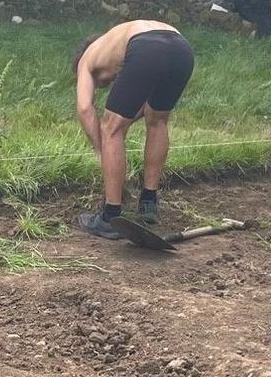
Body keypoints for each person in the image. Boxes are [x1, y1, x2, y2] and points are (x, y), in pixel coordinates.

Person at [72, 19, 197, 238]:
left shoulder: (86, 59)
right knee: (158, 120)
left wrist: (102, 148)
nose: (108, 83)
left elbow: (84, 108)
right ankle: (148, 203)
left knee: (110, 128)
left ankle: (110, 217)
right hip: (181, 47)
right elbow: (140, 107)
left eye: (104, 83)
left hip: (147, 47)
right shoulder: (116, 43)